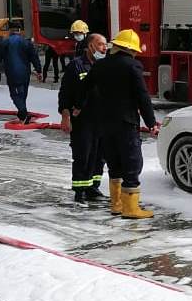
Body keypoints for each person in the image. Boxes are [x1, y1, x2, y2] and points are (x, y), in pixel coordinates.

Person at [80, 29, 159, 218]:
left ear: (115, 46)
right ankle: (131, 208)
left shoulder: (99, 66)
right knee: (132, 163)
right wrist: (151, 123)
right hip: (126, 123)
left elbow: (85, 88)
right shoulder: (133, 66)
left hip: (105, 123)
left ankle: (116, 205)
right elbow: (142, 97)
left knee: (114, 163)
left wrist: (78, 107)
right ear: (131, 50)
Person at [59, 32, 108, 204]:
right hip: (82, 121)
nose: (104, 48)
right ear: (90, 46)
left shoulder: (105, 66)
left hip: (102, 120)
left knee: (99, 156)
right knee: (83, 154)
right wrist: (65, 116)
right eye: (101, 44)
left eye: (105, 44)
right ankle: (80, 191)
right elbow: (64, 93)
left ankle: (93, 187)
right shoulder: (76, 66)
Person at [0, 21, 42, 123]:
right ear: (19, 30)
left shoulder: (5, 42)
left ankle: (23, 113)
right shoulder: (26, 43)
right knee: (23, 94)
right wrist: (39, 70)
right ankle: (22, 115)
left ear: (10, 30)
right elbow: (34, 57)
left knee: (15, 94)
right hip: (25, 72)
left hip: (12, 72)